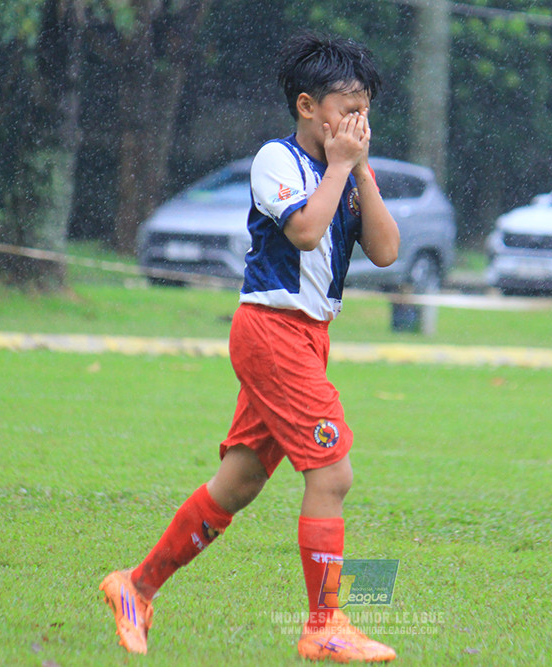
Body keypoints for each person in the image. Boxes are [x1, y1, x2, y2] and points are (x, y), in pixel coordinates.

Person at [99, 32, 401, 663]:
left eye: (365, 110)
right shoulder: (277, 161)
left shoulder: (348, 170)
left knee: (236, 485)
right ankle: (325, 626)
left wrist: (361, 171)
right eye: (347, 108)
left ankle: (136, 586)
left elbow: (386, 250)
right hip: (272, 330)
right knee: (332, 472)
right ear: (307, 106)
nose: (358, 122)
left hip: (309, 337)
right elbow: (305, 230)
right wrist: (343, 166)